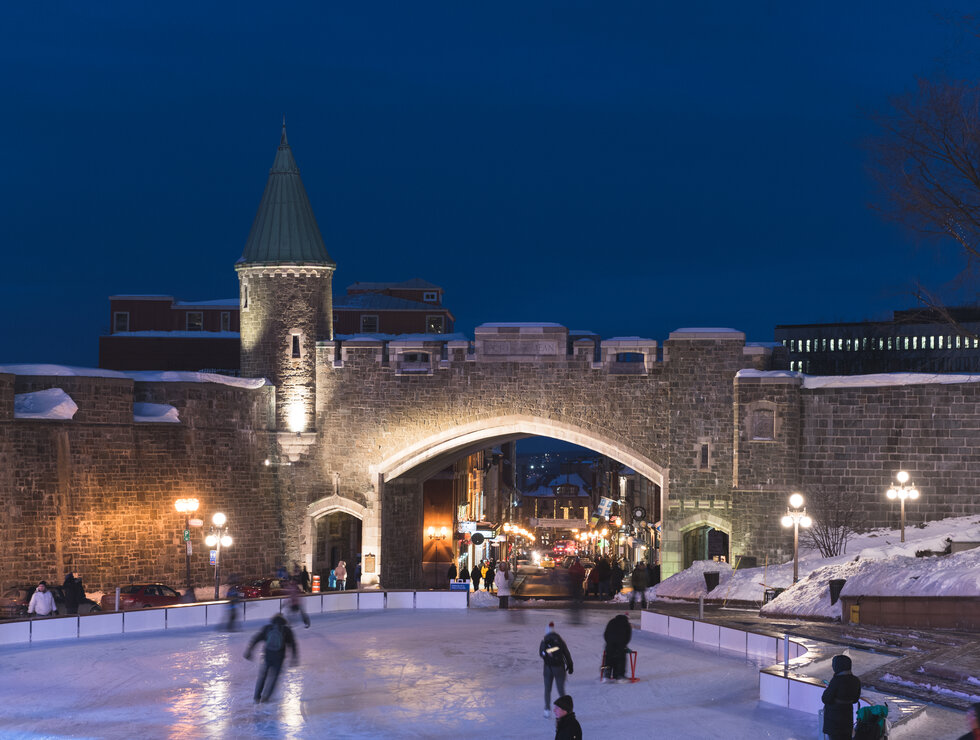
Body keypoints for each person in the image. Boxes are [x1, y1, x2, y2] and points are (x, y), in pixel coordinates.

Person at [244, 614, 298, 703]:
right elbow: (292, 644)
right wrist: (294, 657)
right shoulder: (286, 630)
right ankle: (266, 697)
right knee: (274, 678)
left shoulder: (267, 628)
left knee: (263, 676)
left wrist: (249, 650)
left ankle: (257, 696)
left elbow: (256, 639)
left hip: (268, 656)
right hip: (279, 657)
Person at [821, 654, 862, 740]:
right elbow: (855, 699)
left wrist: (829, 689)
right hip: (847, 718)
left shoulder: (836, 680)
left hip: (834, 719)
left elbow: (825, 698)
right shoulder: (856, 680)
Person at [539, 621, 574, 718]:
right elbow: (566, 654)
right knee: (561, 690)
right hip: (559, 668)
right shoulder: (560, 641)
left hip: (547, 668)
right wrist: (570, 665)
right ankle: (566, 710)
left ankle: (547, 710)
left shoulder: (544, 641)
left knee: (547, 689)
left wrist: (547, 653)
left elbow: (541, 654)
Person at [602, 613, 632, 682]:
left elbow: (605, 634)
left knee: (608, 660)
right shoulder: (626, 624)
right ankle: (620, 676)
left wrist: (609, 642)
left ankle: (606, 675)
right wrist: (624, 645)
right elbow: (628, 637)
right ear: (627, 618)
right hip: (620, 646)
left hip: (609, 645)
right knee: (620, 660)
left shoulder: (611, 621)